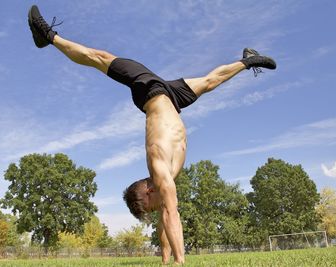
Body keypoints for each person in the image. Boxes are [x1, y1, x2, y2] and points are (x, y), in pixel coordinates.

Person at [28, 5, 276, 264]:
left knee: (98, 57)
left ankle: (48, 36)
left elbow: (169, 214)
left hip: (151, 91)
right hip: (173, 98)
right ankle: (247, 61)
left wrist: (180, 262)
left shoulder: (159, 169)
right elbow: (164, 222)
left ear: (147, 192)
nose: (157, 209)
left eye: (151, 206)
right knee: (211, 81)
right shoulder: (166, 179)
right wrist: (165, 260)